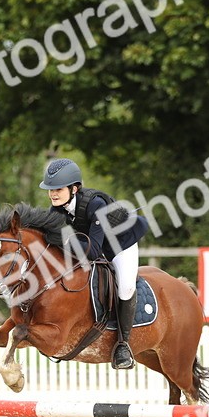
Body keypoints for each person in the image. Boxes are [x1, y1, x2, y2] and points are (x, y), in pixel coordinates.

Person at [40, 157, 148, 369]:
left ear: (74, 188)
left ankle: (123, 345)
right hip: (95, 243)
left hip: (122, 243)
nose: (52, 193)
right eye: (50, 189)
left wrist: (64, 239)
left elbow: (94, 251)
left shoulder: (95, 205)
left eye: (58, 189)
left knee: (125, 287)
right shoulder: (56, 210)